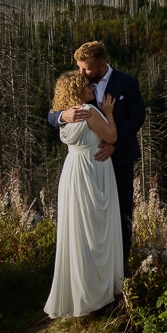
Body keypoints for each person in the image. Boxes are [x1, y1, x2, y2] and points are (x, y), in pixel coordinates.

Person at [47, 41, 146, 266]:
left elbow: (137, 116)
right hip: (88, 166)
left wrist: (115, 144)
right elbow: (52, 114)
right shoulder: (80, 84)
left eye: (86, 69)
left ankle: (119, 268)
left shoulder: (127, 82)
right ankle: (92, 267)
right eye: (79, 68)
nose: (81, 73)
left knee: (120, 214)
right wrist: (64, 116)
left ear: (102, 65)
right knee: (90, 217)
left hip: (119, 159)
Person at [44, 70, 123, 318]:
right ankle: (96, 292)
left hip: (73, 171)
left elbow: (52, 117)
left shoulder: (66, 116)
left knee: (77, 230)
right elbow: (111, 136)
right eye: (87, 86)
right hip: (94, 169)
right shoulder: (89, 112)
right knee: (97, 229)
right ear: (78, 90)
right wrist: (109, 113)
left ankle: (78, 292)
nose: (91, 88)